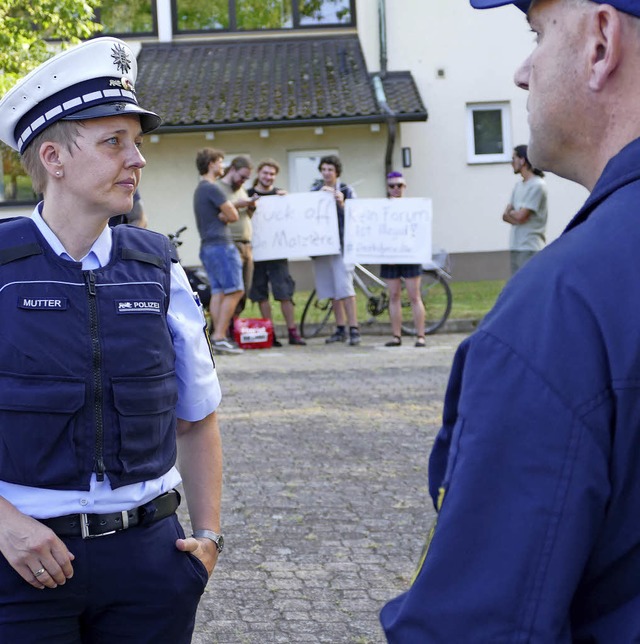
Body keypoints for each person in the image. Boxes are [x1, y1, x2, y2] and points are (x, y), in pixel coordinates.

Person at [380, 0, 640, 641]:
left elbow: (478, 624)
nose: (524, 72)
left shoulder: (561, 313)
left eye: (536, 33)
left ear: (601, 43)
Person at [0, 37, 224, 643]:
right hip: (21, 564)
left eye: (137, 143)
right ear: (53, 157)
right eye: (113, 142)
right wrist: (4, 525)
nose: (137, 160)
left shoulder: (159, 270)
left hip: (150, 567)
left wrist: (205, 541)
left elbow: (197, 418)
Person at [247, 159, 306, 346]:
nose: (268, 177)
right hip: (256, 253)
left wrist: (286, 200)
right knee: (261, 294)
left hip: (278, 252)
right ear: (258, 173)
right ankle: (270, 333)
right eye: (265, 173)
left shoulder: (280, 196)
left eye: (272, 174)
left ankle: (292, 332)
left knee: (285, 293)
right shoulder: (248, 195)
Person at [193, 147, 245, 355]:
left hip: (207, 246)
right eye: (221, 162)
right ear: (212, 163)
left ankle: (214, 336)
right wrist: (229, 212)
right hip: (221, 245)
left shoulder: (200, 189)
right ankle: (220, 336)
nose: (223, 166)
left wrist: (224, 213)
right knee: (235, 290)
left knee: (219, 292)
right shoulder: (212, 188)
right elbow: (232, 215)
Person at [310, 154, 360, 346]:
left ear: (336, 172)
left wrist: (342, 203)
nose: (327, 173)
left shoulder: (347, 190)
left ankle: (354, 328)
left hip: (341, 246)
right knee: (331, 289)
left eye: (330, 169)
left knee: (345, 287)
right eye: (324, 169)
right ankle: (340, 328)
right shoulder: (315, 190)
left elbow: (357, 216)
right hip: (322, 247)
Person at [381, 172, 426, 348]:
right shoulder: (382, 208)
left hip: (410, 255)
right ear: (387, 188)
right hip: (390, 256)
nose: (395, 189)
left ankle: (420, 335)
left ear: (404, 187)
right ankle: (396, 336)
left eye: (399, 186)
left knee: (414, 296)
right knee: (394, 296)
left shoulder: (413, 207)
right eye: (392, 186)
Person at [218, 155, 256, 322]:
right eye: (242, 177)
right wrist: (237, 205)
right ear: (232, 169)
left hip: (246, 245)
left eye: (246, 179)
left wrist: (251, 207)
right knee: (231, 290)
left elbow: (245, 215)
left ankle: (233, 326)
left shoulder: (241, 189)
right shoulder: (218, 188)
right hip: (229, 244)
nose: (243, 181)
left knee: (244, 291)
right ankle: (220, 331)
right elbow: (215, 214)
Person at [502, 144, 548, 275]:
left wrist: (513, 213)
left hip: (530, 247)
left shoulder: (537, 185)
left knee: (530, 289)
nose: (511, 163)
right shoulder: (518, 186)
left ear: (522, 160)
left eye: (513, 159)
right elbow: (505, 216)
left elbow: (521, 216)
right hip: (516, 246)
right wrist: (514, 214)